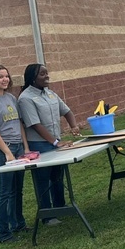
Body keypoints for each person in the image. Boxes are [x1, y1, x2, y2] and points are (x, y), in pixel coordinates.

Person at [18, 64, 81, 225]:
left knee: (57, 176)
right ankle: (47, 215)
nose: (47, 76)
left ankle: (60, 207)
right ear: (33, 78)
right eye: (42, 74)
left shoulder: (50, 93)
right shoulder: (25, 98)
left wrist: (73, 126)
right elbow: (35, 124)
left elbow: (66, 111)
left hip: (55, 142)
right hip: (39, 145)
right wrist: (55, 142)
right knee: (43, 180)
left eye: (47, 73)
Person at [0, 64, 30, 243]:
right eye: (0, 77)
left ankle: (18, 224)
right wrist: (8, 153)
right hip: (2, 150)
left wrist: (25, 147)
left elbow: (19, 124)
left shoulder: (11, 98)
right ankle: (2, 233)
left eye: (6, 76)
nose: (5, 79)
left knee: (17, 189)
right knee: (4, 192)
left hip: (18, 147)